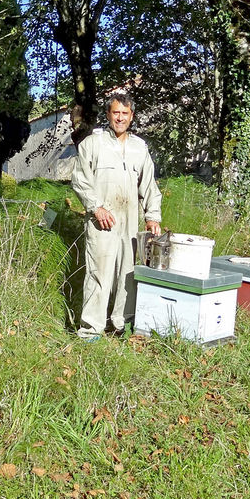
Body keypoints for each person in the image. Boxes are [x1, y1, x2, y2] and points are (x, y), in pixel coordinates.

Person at [71, 93, 162, 340]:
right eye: (115, 113)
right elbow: (80, 180)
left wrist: (152, 216)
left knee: (128, 274)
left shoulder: (139, 147)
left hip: (130, 221)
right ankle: (91, 329)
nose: (120, 118)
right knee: (98, 273)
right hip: (101, 220)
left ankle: (122, 324)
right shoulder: (93, 143)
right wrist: (96, 207)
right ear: (108, 115)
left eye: (125, 113)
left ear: (131, 116)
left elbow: (149, 185)